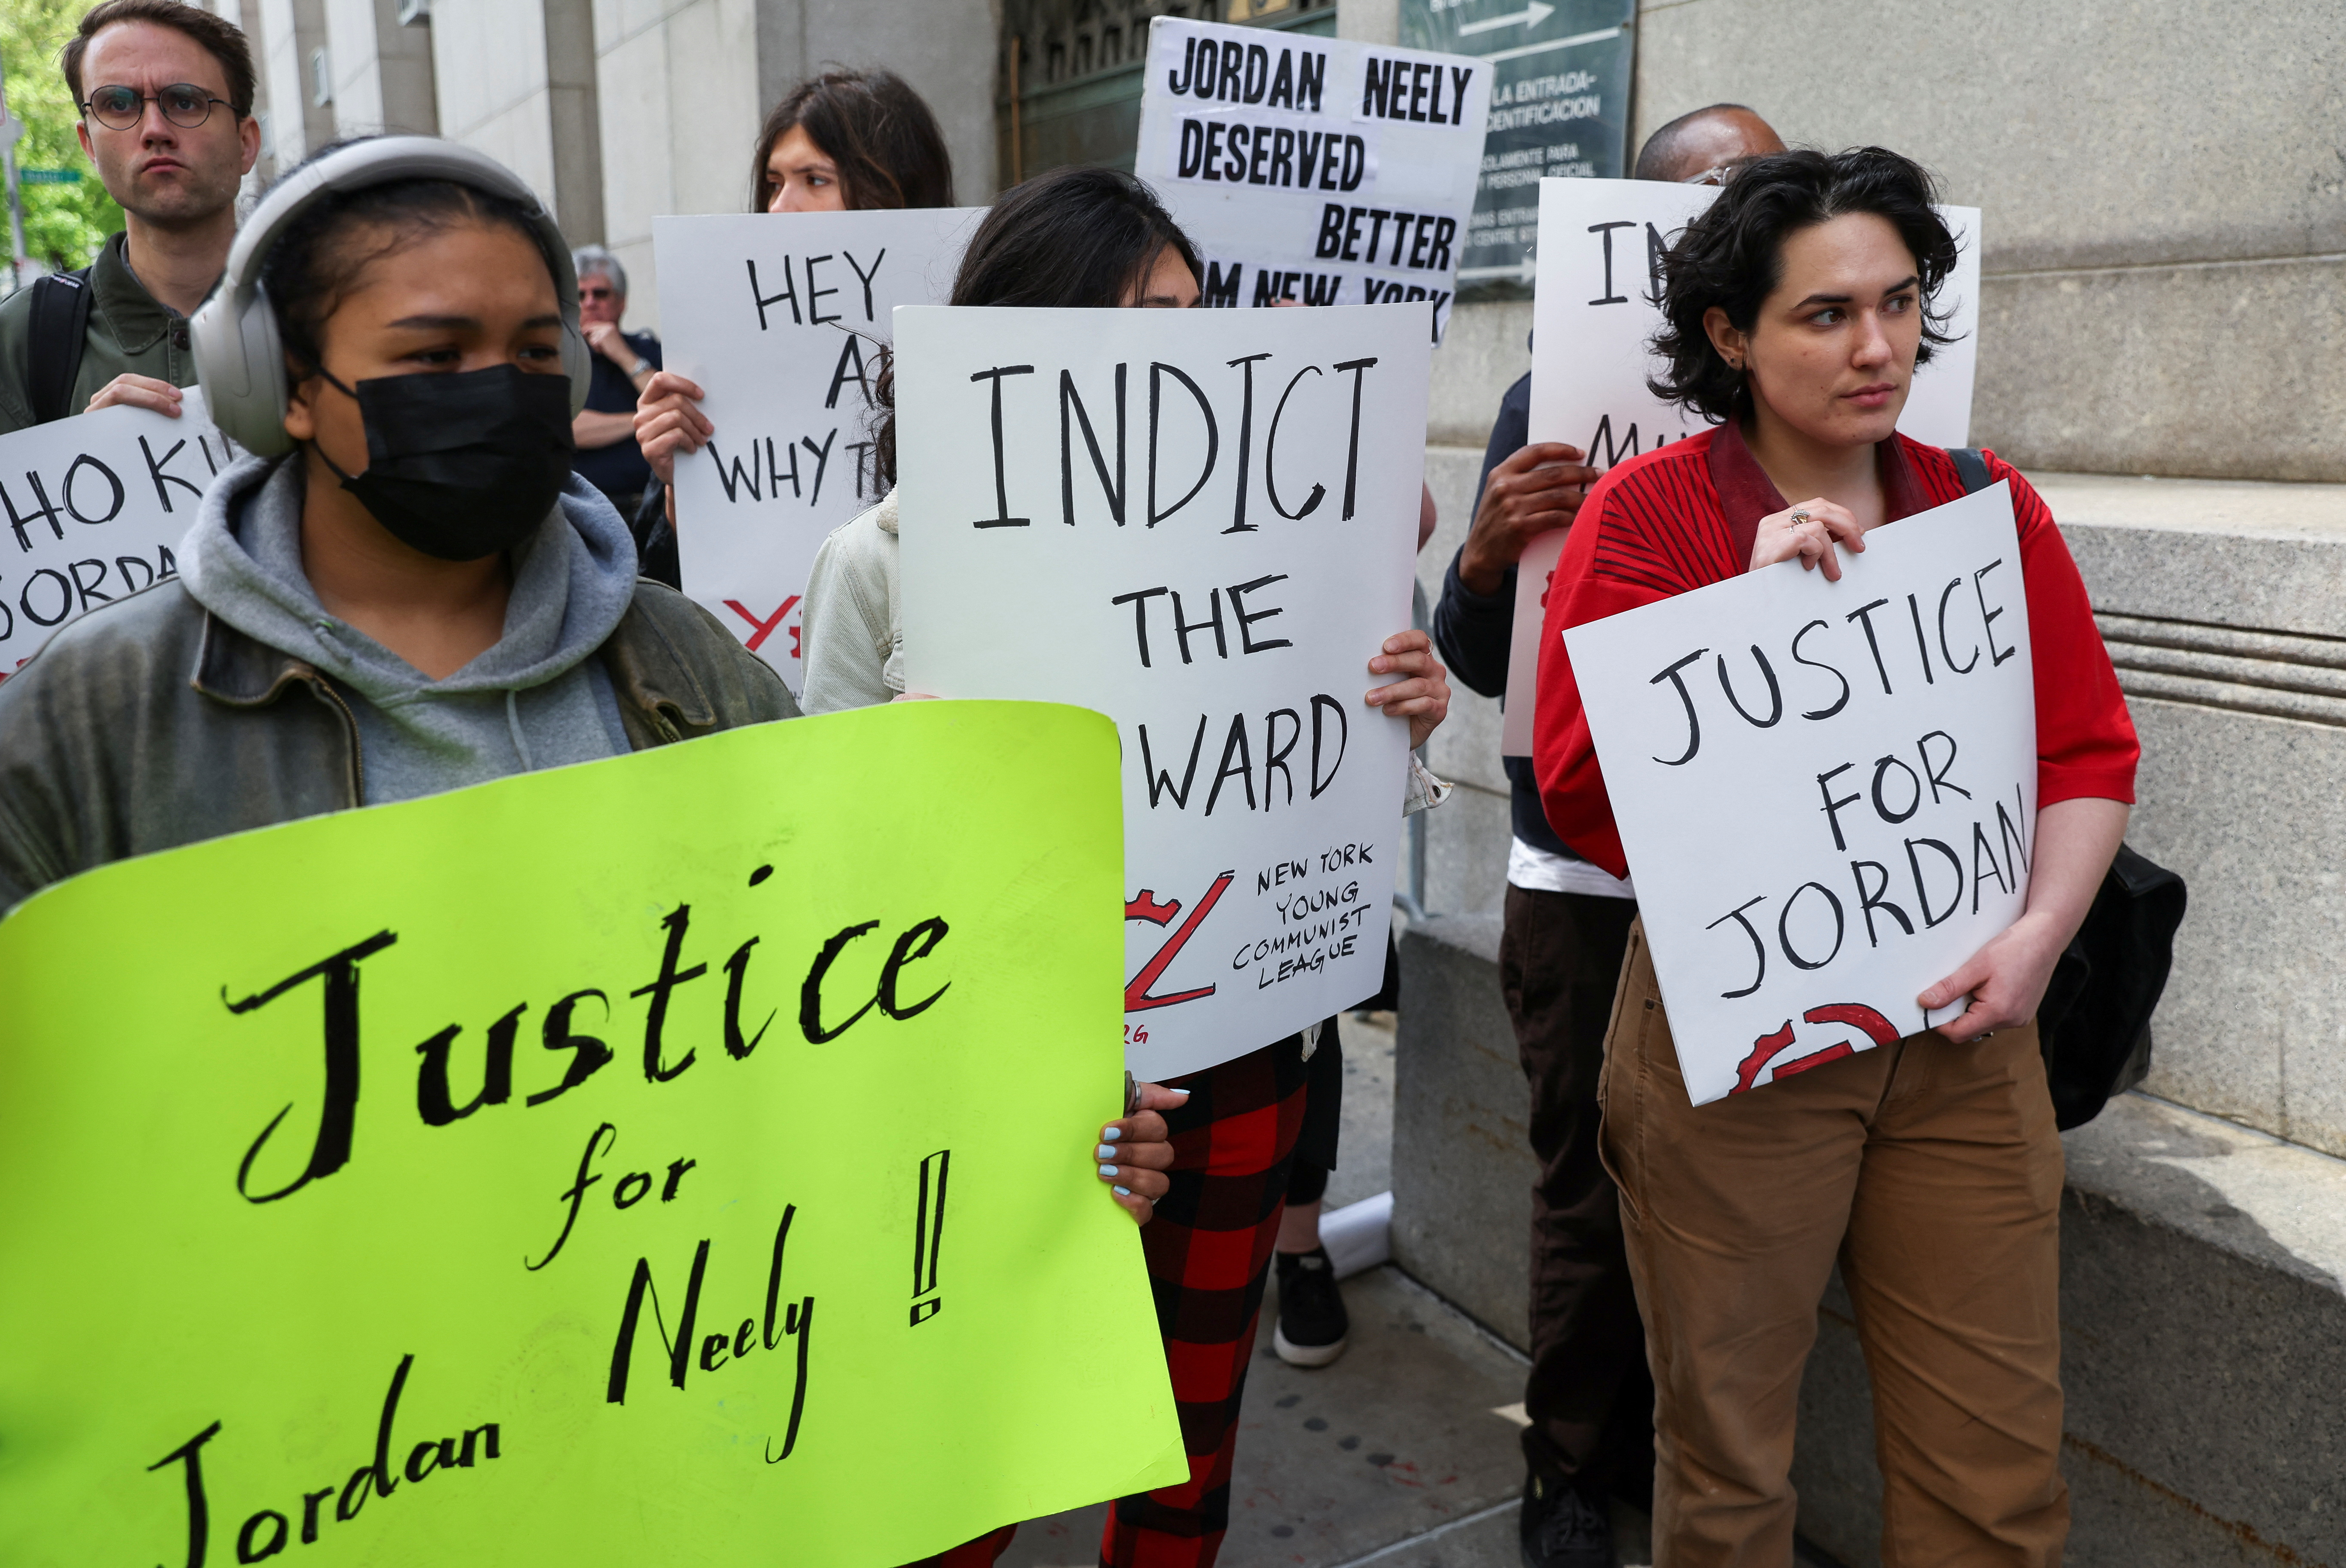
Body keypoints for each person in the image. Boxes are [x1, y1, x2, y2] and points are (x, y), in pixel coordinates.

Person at [801, 165, 1452, 1568]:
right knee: (966, 1451)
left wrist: (1400, 705)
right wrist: (902, 781)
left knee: (1180, 1438)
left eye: (1183, 312)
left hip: (1235, 1048)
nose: (1167, 349)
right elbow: (820, 870)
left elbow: (1324, 798)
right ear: (1015, 339)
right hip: (987, 1075)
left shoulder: (1299, 548)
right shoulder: (879, 557)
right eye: (1123, 316)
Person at [1533, 147, 2138, 1566]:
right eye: (1825, 313)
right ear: (1732, 335)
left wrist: (2038, 936)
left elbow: (2086, 752)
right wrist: (1740, 637)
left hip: (1968, 1037)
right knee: (1731, 1460)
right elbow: (1581, 792)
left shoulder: (1986, 502)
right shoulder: (1649, 517)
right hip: (1738, 1054)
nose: (1878, 345)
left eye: (1902, 300)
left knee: (1995, 1469)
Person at [0, 135, 799, 912]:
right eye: (436, 356)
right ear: (286, 388)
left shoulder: (688, 662)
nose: (500, 390)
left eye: (533, 353)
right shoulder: (90, 718)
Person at [1429, 101, 1784, 1568]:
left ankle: (1694, 1455)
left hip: (1764, 867)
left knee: (1742, 1191)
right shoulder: (1550, 403)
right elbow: (1475, 657)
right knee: (1587, 1183)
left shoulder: (1840, 409)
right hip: (1584, 882)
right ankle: (1569, 1462)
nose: (1749, 201)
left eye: (1769, 179)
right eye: (1717, 188)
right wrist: (1485, 550)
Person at [627, 68, 958, 585]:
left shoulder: (971, 344)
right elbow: (666, 594)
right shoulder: (720, 362)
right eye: (774, 184)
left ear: (895, 189)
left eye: (816, 180)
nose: (779, 209)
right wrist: (684, 486)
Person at [0, 0, 260, 433]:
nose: (154, 128)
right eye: (118, 104)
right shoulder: (16, 342)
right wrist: (80, 460)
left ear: (246, 142)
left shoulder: (334, 309)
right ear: (89, 147)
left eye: (186, 101)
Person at [568, 244, 662, 528]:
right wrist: (645, 419)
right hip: (586, 516)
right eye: (580, 295)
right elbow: (568, 427)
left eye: (601, 293)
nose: (590, 303)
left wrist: (622, 354)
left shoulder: (647, 350)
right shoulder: (559, 357)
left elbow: (677, 406)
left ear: (621, 302)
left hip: (653, 510)